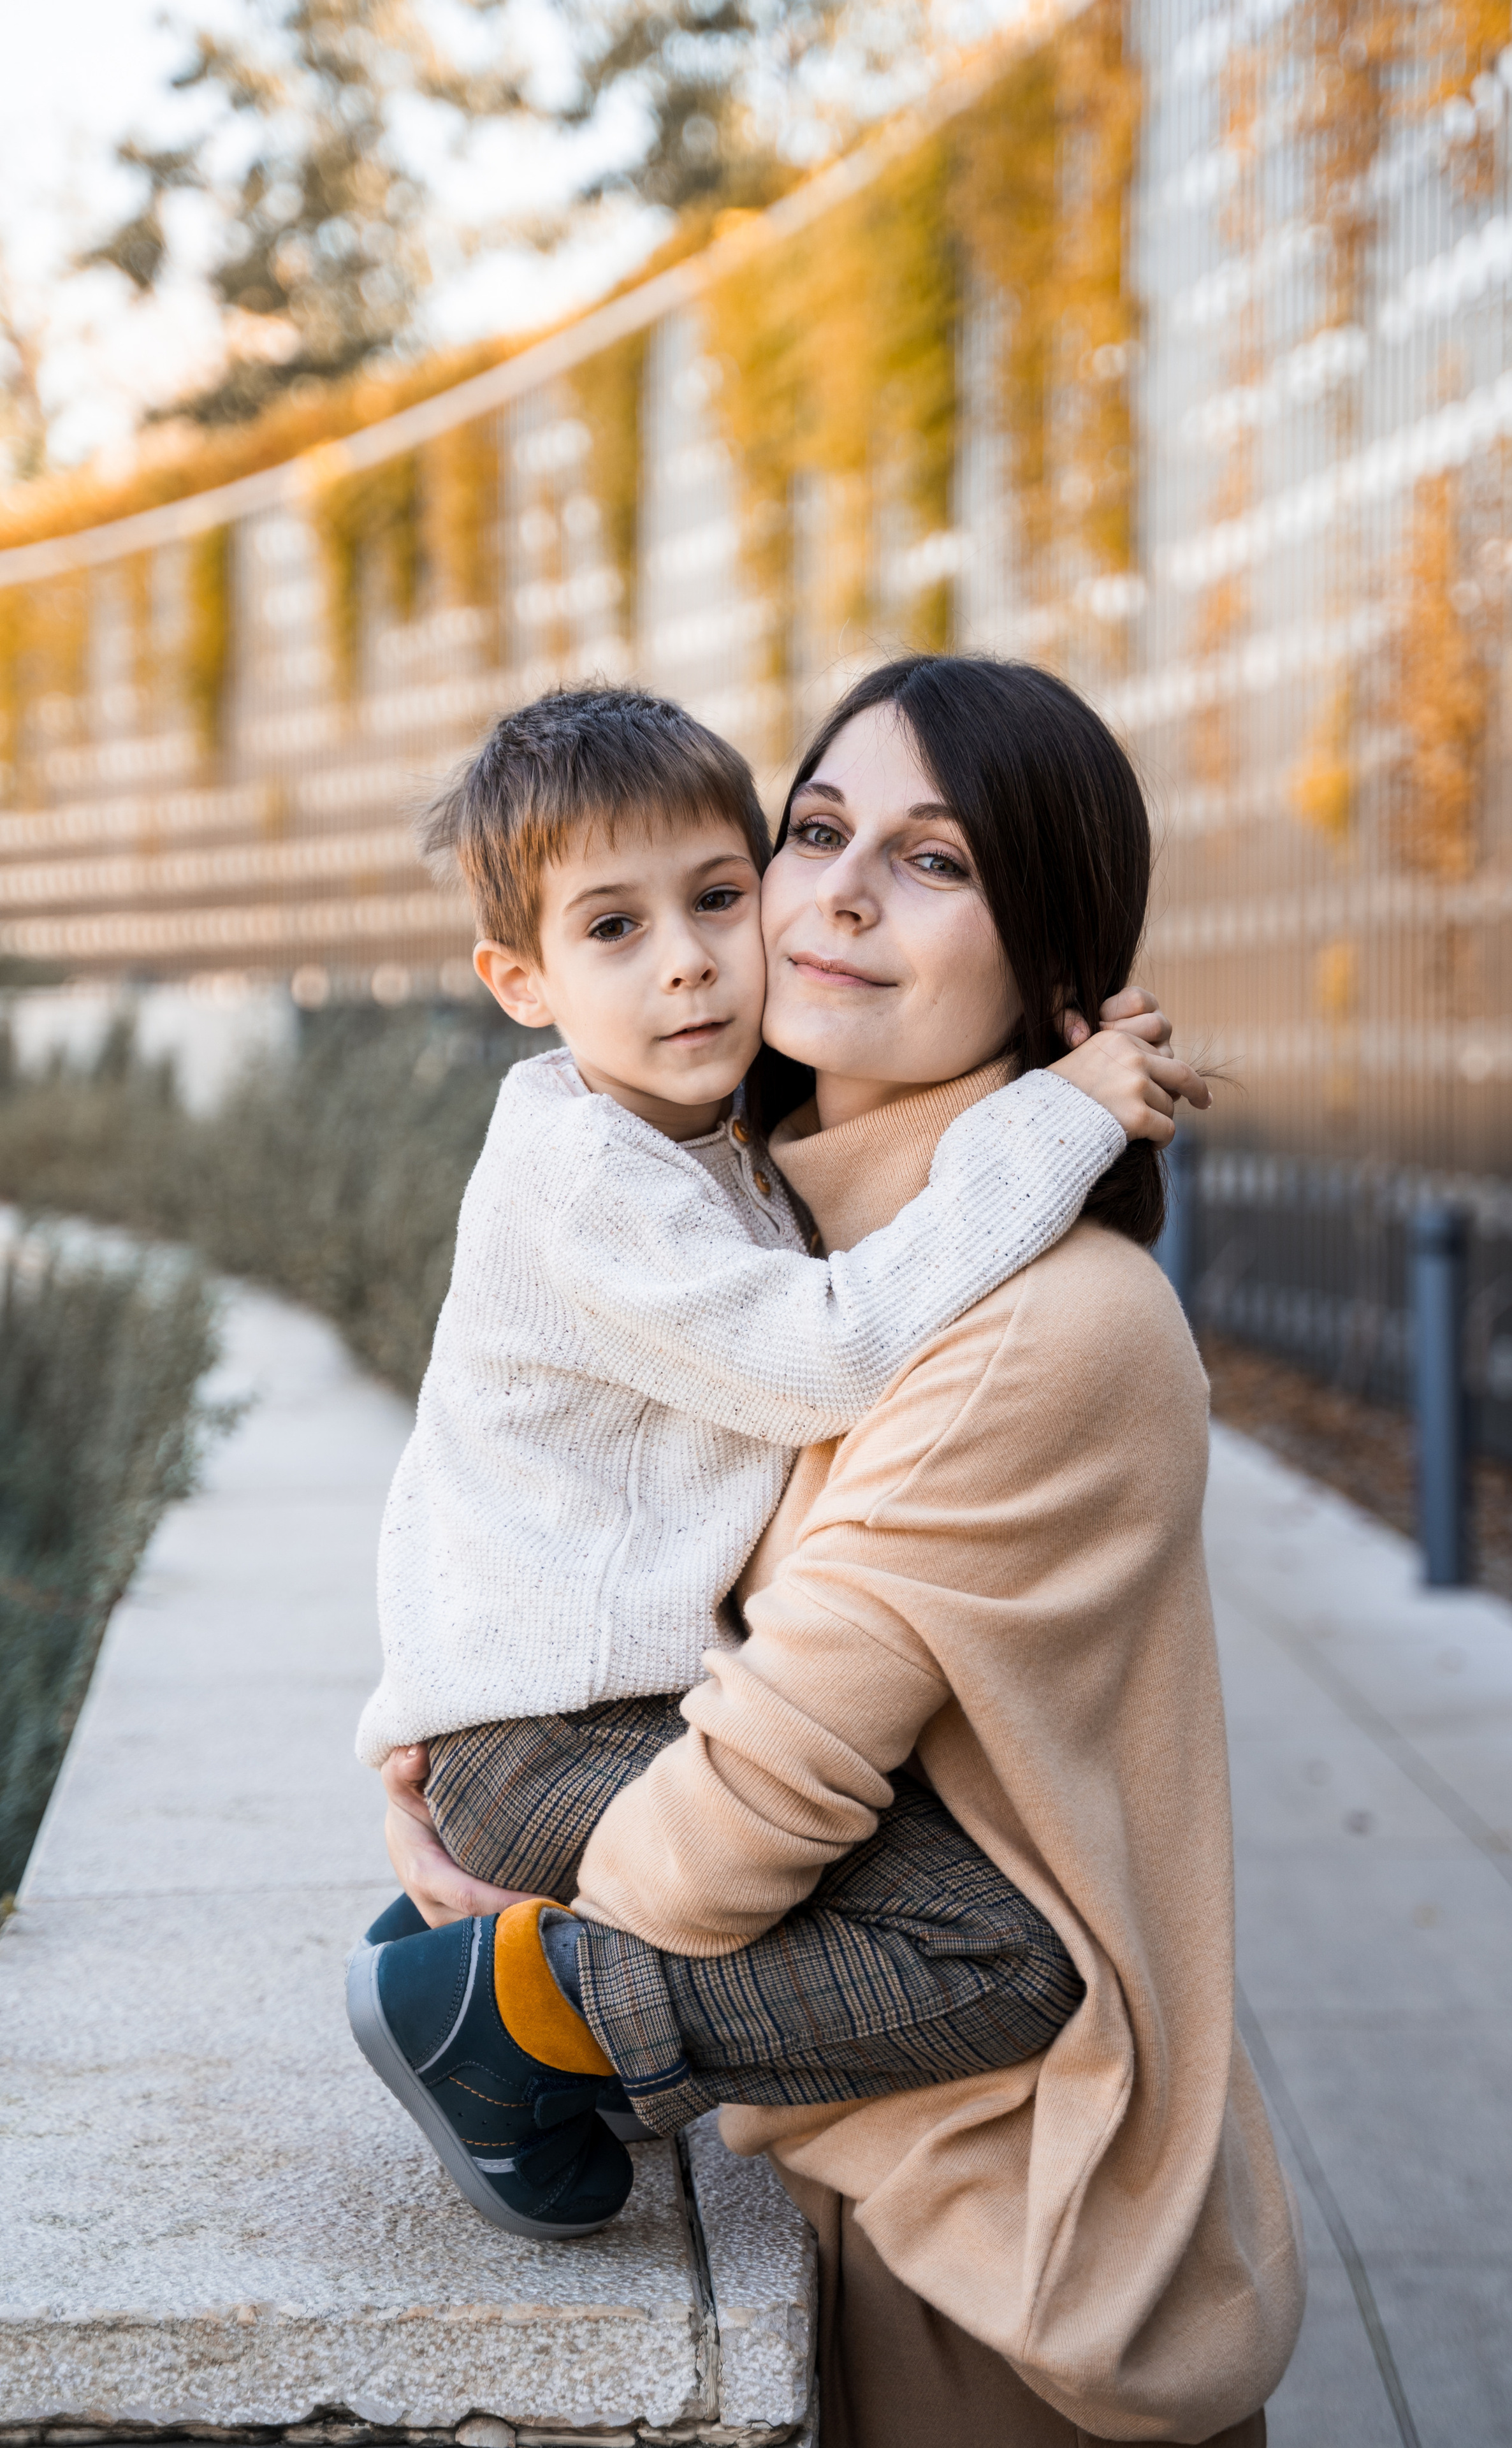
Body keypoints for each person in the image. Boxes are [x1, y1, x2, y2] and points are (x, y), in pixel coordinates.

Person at [375, 655, 1304, 2447]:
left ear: (1053, 972)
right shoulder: (757, 1205)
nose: (839, 895)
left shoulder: (1043, 1325)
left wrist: (512, 1945)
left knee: (994, 1952)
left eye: (935, 860)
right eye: (816, 832)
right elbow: (502, 1460)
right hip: (843, 2176)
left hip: (1003, 2258)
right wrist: (436, 1751)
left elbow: (715, 1850)